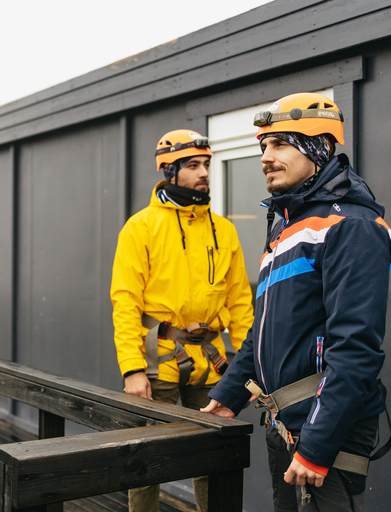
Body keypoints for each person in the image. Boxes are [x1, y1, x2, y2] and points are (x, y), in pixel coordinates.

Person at [202, 92, 391, 512]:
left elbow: (356, 348)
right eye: (263, 146)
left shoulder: (351, 226)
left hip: (325, 428)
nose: (266, 157)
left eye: (280, 144)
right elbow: (264, 330)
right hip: (284, 422)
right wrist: (229, 394)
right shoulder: (287, 231)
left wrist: (318, 444)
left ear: (320, 147)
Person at [111, 129, 254, 512]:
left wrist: (246, 365)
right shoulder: (141, 228)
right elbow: (124, 302)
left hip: (212, 364)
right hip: (157, 367)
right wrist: (132, 370)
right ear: (169, 171)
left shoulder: (224, 230)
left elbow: (240, 301)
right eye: (193, 166)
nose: (204, 172)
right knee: (146, 461)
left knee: (212, 455)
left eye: (206, 164)